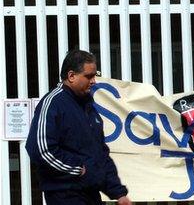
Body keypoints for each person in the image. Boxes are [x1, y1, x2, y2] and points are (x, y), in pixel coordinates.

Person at [26, 49, 132, 205]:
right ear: (71, 76)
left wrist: (118, 192)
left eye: (95, 76)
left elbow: (100, 154)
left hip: (91, 193)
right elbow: (41, 150)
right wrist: (78, 169)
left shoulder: (88, 107)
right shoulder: (53, 103)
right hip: (64, 194)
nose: (94, 81)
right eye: (89, 76)